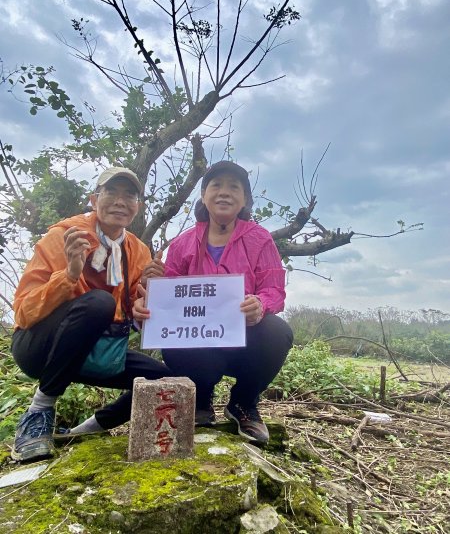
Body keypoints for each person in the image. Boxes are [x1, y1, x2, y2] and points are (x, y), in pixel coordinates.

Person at [11, 167, 171, 462]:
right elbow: (23, 312)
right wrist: (69, 275)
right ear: (94, 199)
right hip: (40, 349)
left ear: (137, 207)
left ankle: (87, 429)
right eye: (112, 192)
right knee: (98, 303)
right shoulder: (64, 236)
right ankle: (38, 414)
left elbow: (133, 310)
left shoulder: (137, 250)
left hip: (100, 350)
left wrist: (144, 299)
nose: (120, 201)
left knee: (165, 379)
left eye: (130, 195)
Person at [133, 161, 293, 444]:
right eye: (216, 185)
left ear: (244, 199)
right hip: (201, 348)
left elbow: (275, 290)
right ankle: (201, 400)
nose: (224, 193)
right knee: (174, 343)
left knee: (278, 332)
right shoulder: (182, 244)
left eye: (234, 187)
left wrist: (259, 304)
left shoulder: (260, 239)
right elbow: (168, 302)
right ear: (204, 195)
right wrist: (149, 293)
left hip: (245, 342)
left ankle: (243, 404)